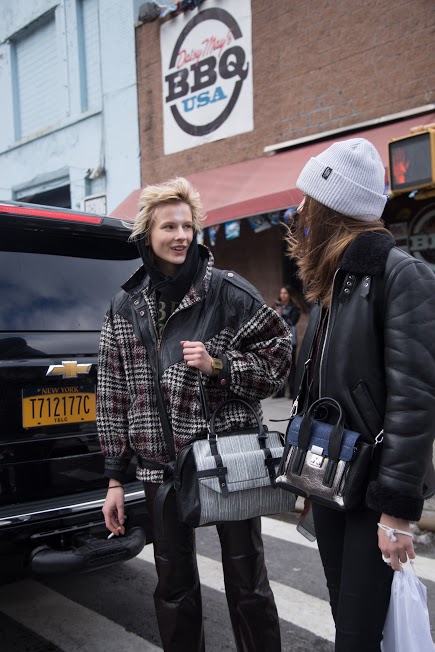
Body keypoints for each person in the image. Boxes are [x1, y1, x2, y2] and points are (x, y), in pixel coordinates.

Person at [97, 177, 292, 652]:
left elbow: (281, 358)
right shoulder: (125, 305)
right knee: (173, 588)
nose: (181, 235)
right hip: (159, 465)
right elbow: (112, 394)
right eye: (170, 226)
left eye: (188, 225)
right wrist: (115, 478)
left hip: (228, 457)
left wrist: (220, 366)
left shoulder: (227, 291)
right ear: (148, 233)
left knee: (248, 583)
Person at [285, 138, 435, 651]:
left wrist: (396, 512)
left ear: (332, 209)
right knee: (347, 619)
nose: (300, 211)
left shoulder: (399, 275)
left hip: (372, 492)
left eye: (308, 201)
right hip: (334, 480)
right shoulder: (335, 283)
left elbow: (414, 402)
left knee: (357, 634)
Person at [273, 285, 302, 398]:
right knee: (279, 365)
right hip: (278, 339)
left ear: (289, 295)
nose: (282, 295)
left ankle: (292, 391)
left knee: (291, 366)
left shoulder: (294, 308)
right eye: (281, 293)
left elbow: (293, 321)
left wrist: (281, 314)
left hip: (290, 340)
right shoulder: (276, 306)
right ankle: (279, 391)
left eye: (285, 293)